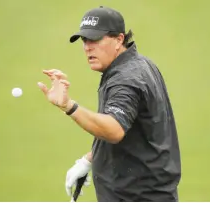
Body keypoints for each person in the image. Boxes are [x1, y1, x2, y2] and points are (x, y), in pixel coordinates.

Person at [37, 6, 181, 202]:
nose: (87, 46)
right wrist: (90, 159)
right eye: (84, 40)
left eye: (95, 39)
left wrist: (68, 106)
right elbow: (134, 130)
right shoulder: (139, 65)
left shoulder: (126, 79)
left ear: (119, 39)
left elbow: (114, 129)